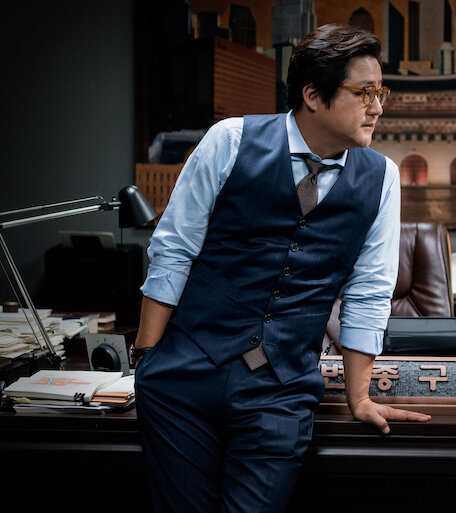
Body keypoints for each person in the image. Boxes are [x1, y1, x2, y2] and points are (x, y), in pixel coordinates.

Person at [132, 24, 430, 513]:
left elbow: (369, 291)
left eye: (382, 93)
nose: (378, 107)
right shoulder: (229, 140)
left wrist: (359, 398)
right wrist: (147, 357)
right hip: (183, 381)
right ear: (313, 95)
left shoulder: (382, 177)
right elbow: (174, 250)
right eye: (365, 93)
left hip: (282, 390)